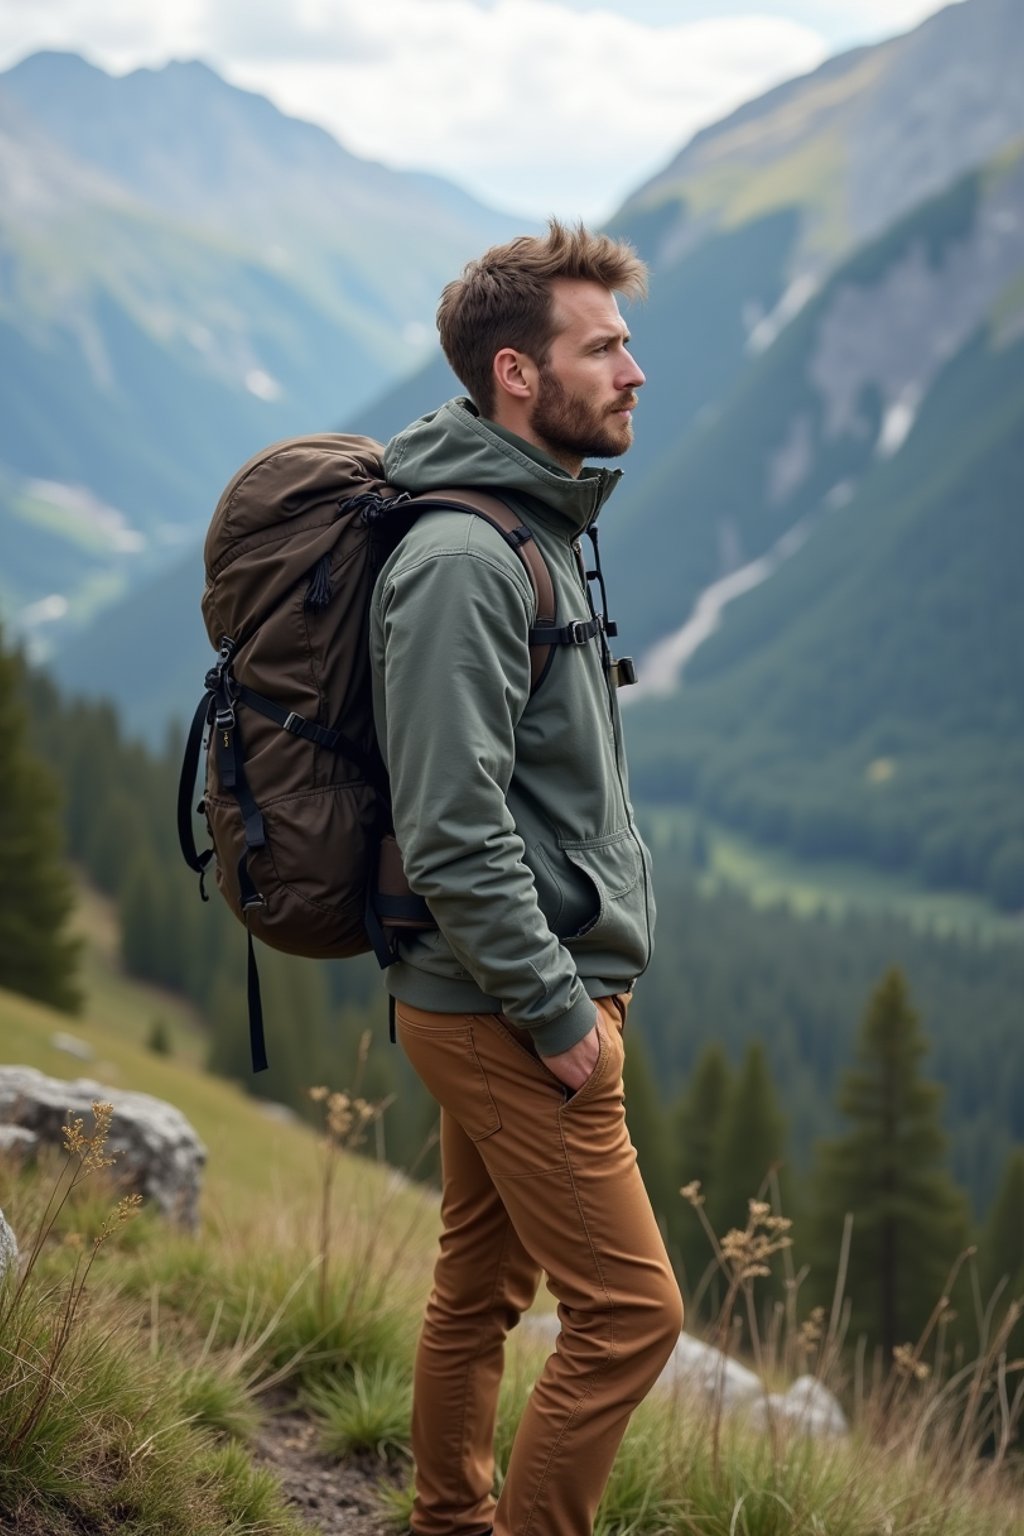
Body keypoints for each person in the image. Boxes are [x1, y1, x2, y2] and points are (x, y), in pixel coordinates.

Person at [368, 220, 683, 1536]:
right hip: (508, 1005)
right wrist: (560, 1016)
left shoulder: (531, 525)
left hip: (507, 991)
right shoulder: (463, 562)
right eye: (602, 345)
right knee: (630, 1318)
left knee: (480, 1287)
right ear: (515, 373)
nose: (634, 371)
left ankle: (446, 1519)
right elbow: (449, 825)